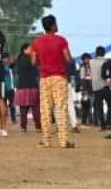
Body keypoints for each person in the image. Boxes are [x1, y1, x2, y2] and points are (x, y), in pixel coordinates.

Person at [32, 14, 73, 149]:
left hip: (44, 78)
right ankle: (63, 141)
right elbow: (68, 58)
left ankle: (46, 140)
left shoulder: (37, 42)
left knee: (45, 109)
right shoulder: (61, 40)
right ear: (53, 25)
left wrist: (42, 61)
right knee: (60, 108)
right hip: (59, 77)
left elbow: (33, 61)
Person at [11, 42, 40, 131]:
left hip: (22, 86)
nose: (31, 50)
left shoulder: (19, 59)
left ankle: (23, 127)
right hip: (31, 85)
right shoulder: (29, 59)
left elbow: (11, 66)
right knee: (35, 107)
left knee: (23, 108)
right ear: (24, 50)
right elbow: (34, 66)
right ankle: (38, 126)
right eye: (30, 49)